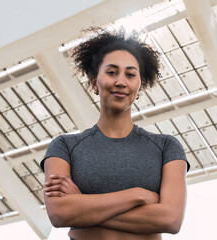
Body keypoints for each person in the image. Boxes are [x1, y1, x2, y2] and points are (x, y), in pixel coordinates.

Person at [40, 28, 190, 240]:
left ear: (139, 87)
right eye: (111, 72)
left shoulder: (166, 147)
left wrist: (83, 204)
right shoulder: (64, 146)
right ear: (94, 82)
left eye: (130, 74)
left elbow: (171, 219)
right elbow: (59, 213)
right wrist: (137, 195)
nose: (121, 81)